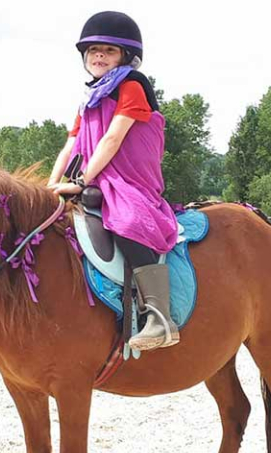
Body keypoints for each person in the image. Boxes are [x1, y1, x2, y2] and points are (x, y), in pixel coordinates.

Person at [47, 11, 179, 351]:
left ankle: (159, 317)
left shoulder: (132, 86)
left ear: (126, 57)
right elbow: (70, 147)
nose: (99, 56)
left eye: (108, 50)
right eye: (93, 51)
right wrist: (49, 187)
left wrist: (79, 181)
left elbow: (113, 139)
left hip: (128, 182)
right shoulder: (88, 100)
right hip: (95, 179)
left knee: (128, 220)